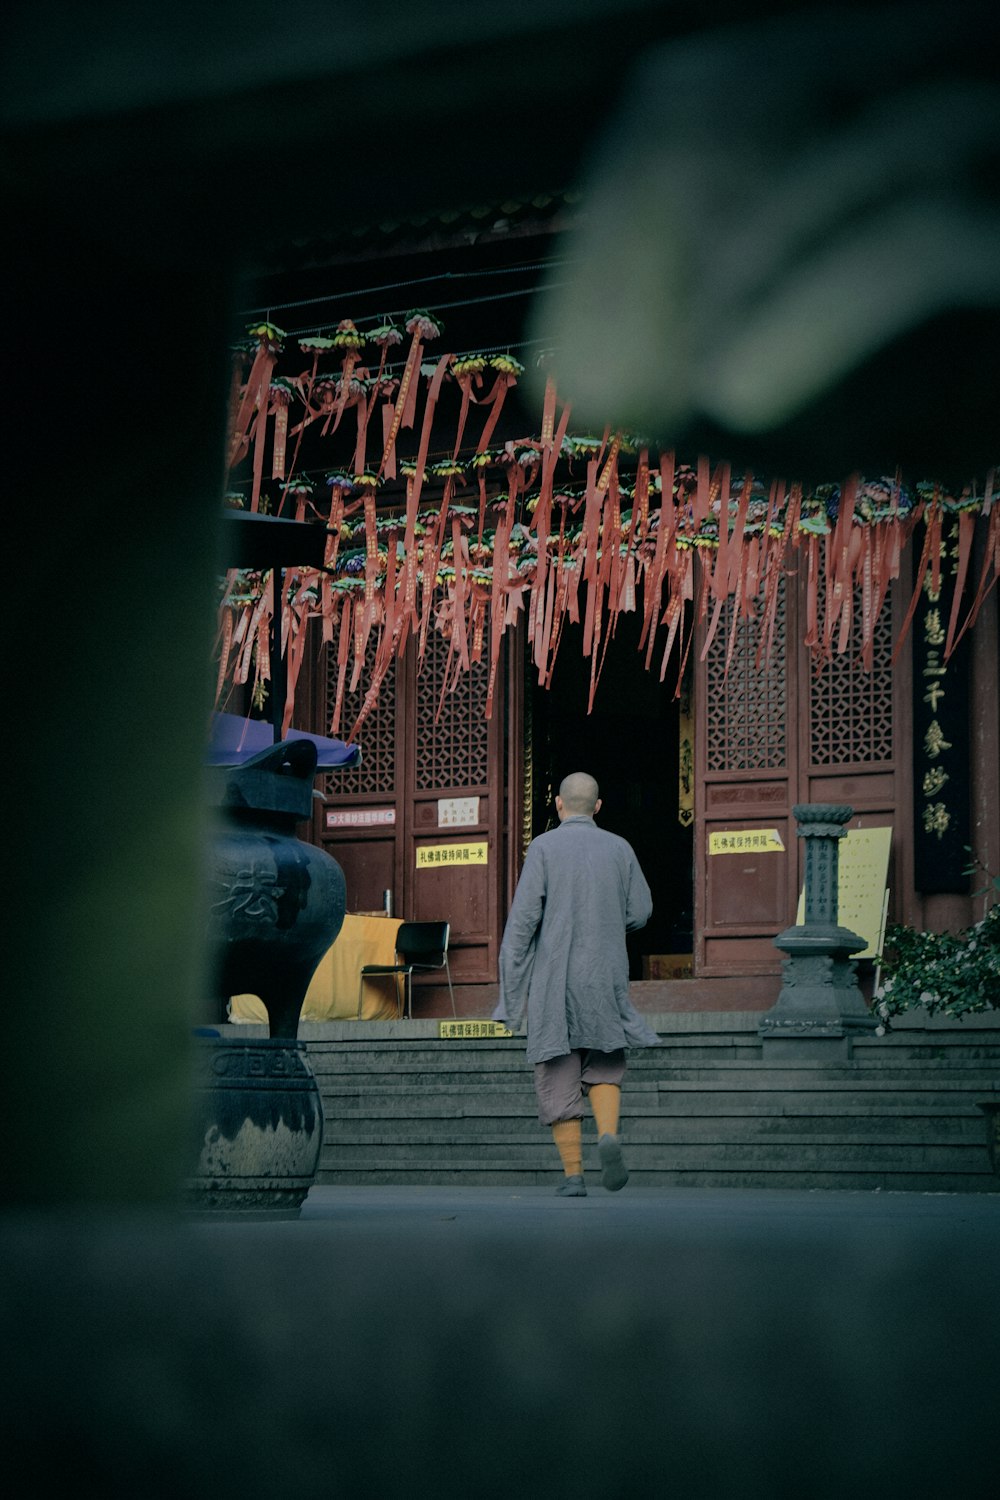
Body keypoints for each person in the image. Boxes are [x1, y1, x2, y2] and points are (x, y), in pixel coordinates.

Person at [492, 771, 659, 1196]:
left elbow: (524, 922)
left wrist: (510, 999)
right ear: (598, 807)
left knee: (557, 1068)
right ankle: (608, 1134)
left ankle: (573, 1176)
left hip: (555, 977)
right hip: (605, 973)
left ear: (559, 805)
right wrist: (603, 921)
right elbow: (640, 910)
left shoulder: (544, 847)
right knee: (604, 1060)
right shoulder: (620, 847)